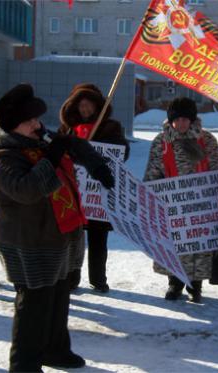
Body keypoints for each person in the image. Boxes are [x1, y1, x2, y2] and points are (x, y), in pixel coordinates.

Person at [0, 83, 114, 372]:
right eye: (29, 120)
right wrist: (52, 157)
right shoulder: (4, 156)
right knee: (34, 304)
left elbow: (75, 145)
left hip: (59, 233)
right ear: (12, 126)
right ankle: (24, 364)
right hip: (29, 241)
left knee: (58, 295)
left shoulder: (39, 141)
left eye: (37, 118)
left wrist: (96, 165)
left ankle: (55, 350)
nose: (37, 124)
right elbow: (27, 190)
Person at [143, 97, 218, 303]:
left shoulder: (207, 140)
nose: (181, 124)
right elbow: (153, 171)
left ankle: (195, 286)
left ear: (193, 120)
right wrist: (150, 194)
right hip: (170, 205)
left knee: (198, 245)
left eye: (185, 120)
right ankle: (174, 283)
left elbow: (216, 169)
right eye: (176, 120)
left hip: (201, 203)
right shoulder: (161, 142)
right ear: (170, 120)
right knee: (173, 244)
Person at [59, 83, 130, 293]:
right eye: (81, 105)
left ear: (97, 107)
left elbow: (121, 153)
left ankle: (98, 279)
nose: (86, 110)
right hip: (73, 193)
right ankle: (72, 277)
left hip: (98, 192)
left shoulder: (111, 127)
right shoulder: (68, 129)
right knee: (73, 238)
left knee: (98, 240)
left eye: (89, 105)